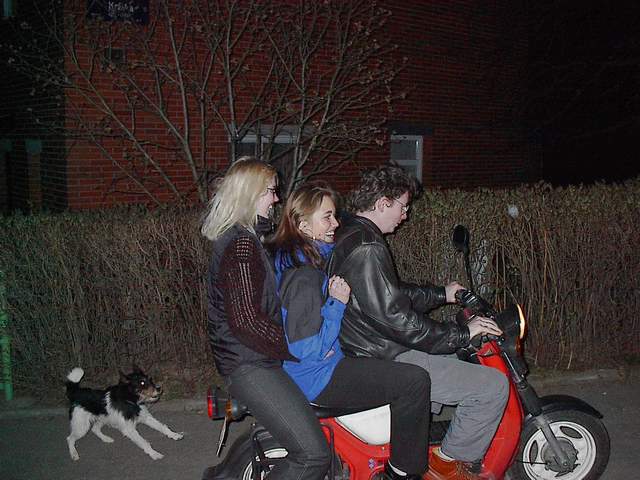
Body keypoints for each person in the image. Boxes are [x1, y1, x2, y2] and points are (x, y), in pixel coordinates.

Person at [327, 166, 509, 480]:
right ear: (383, 203)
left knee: (455, 361)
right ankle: (447, 466)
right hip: (384, 352)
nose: (406, 215)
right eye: (403, 206)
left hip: (370, 344)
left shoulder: (353, 233)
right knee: (492, 386)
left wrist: (443, 294)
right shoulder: (367, 247)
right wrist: (462, 333)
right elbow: (396, 319)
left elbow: (390, 295)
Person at [268, 182, 432, 480]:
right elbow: (306, 349)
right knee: (414, 381)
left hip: (319, 368)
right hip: (317, 377)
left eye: (334, 215)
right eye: (327, 217)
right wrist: (337, 304)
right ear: (304, 225)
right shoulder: (304, 277)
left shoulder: (302, 260)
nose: (335, 223)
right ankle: (403, 472)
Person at [201, 157, 330, 480]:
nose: (276, 198)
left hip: (252, 360)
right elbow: (247, 321)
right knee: (312, 455)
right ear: (251, 194)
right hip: (250, 365)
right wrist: (295, 349)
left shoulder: (245, 238)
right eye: (271, 191)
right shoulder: (241, 245)